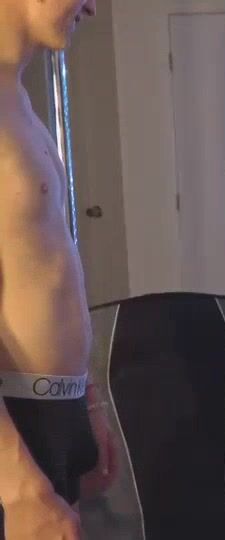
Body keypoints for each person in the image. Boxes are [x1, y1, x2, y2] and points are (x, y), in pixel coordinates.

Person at [0, 1, 117, 538]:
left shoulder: (17, 95)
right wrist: (19, 488)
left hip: (50, 410)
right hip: (13, 430)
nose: (92, 6)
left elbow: (49, 265)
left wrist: (86, 400)